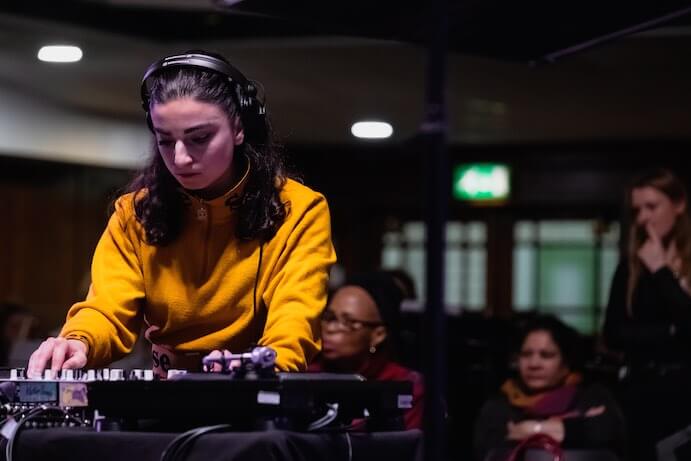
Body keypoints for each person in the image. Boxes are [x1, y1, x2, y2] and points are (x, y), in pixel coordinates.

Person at [27, 50, 336, 378]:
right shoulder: (133, 213)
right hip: (164, 394)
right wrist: (79, 341)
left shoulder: (300, 209)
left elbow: (295, 320)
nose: (180, 158)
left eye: (199, 138)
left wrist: (260, 365)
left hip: (254, 400)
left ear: (239, 127)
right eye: (164, 140)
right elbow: (107, 309)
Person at [603, 168, 691, 460]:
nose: (642, 219)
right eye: (637, 210)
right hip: (640, 392)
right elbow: (613, 334)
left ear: (678, 205)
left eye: (652, 207)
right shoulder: (630, 267)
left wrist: (662, 273)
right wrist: (672, 332)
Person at [473, 315, 626, 461]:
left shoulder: (591, 396)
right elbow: (488, 446)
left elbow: (609, 431)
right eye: (526, 354)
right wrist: (569, 427)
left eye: (546, 355)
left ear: (566, 363)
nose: (534, 364)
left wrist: (534, 429)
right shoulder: (501, 403)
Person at [308, 271, 425, 430]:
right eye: (329, 318)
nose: (330, 329)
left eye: (348, 322)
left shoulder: (408, 387)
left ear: (378, 335)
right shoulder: (308, 376)